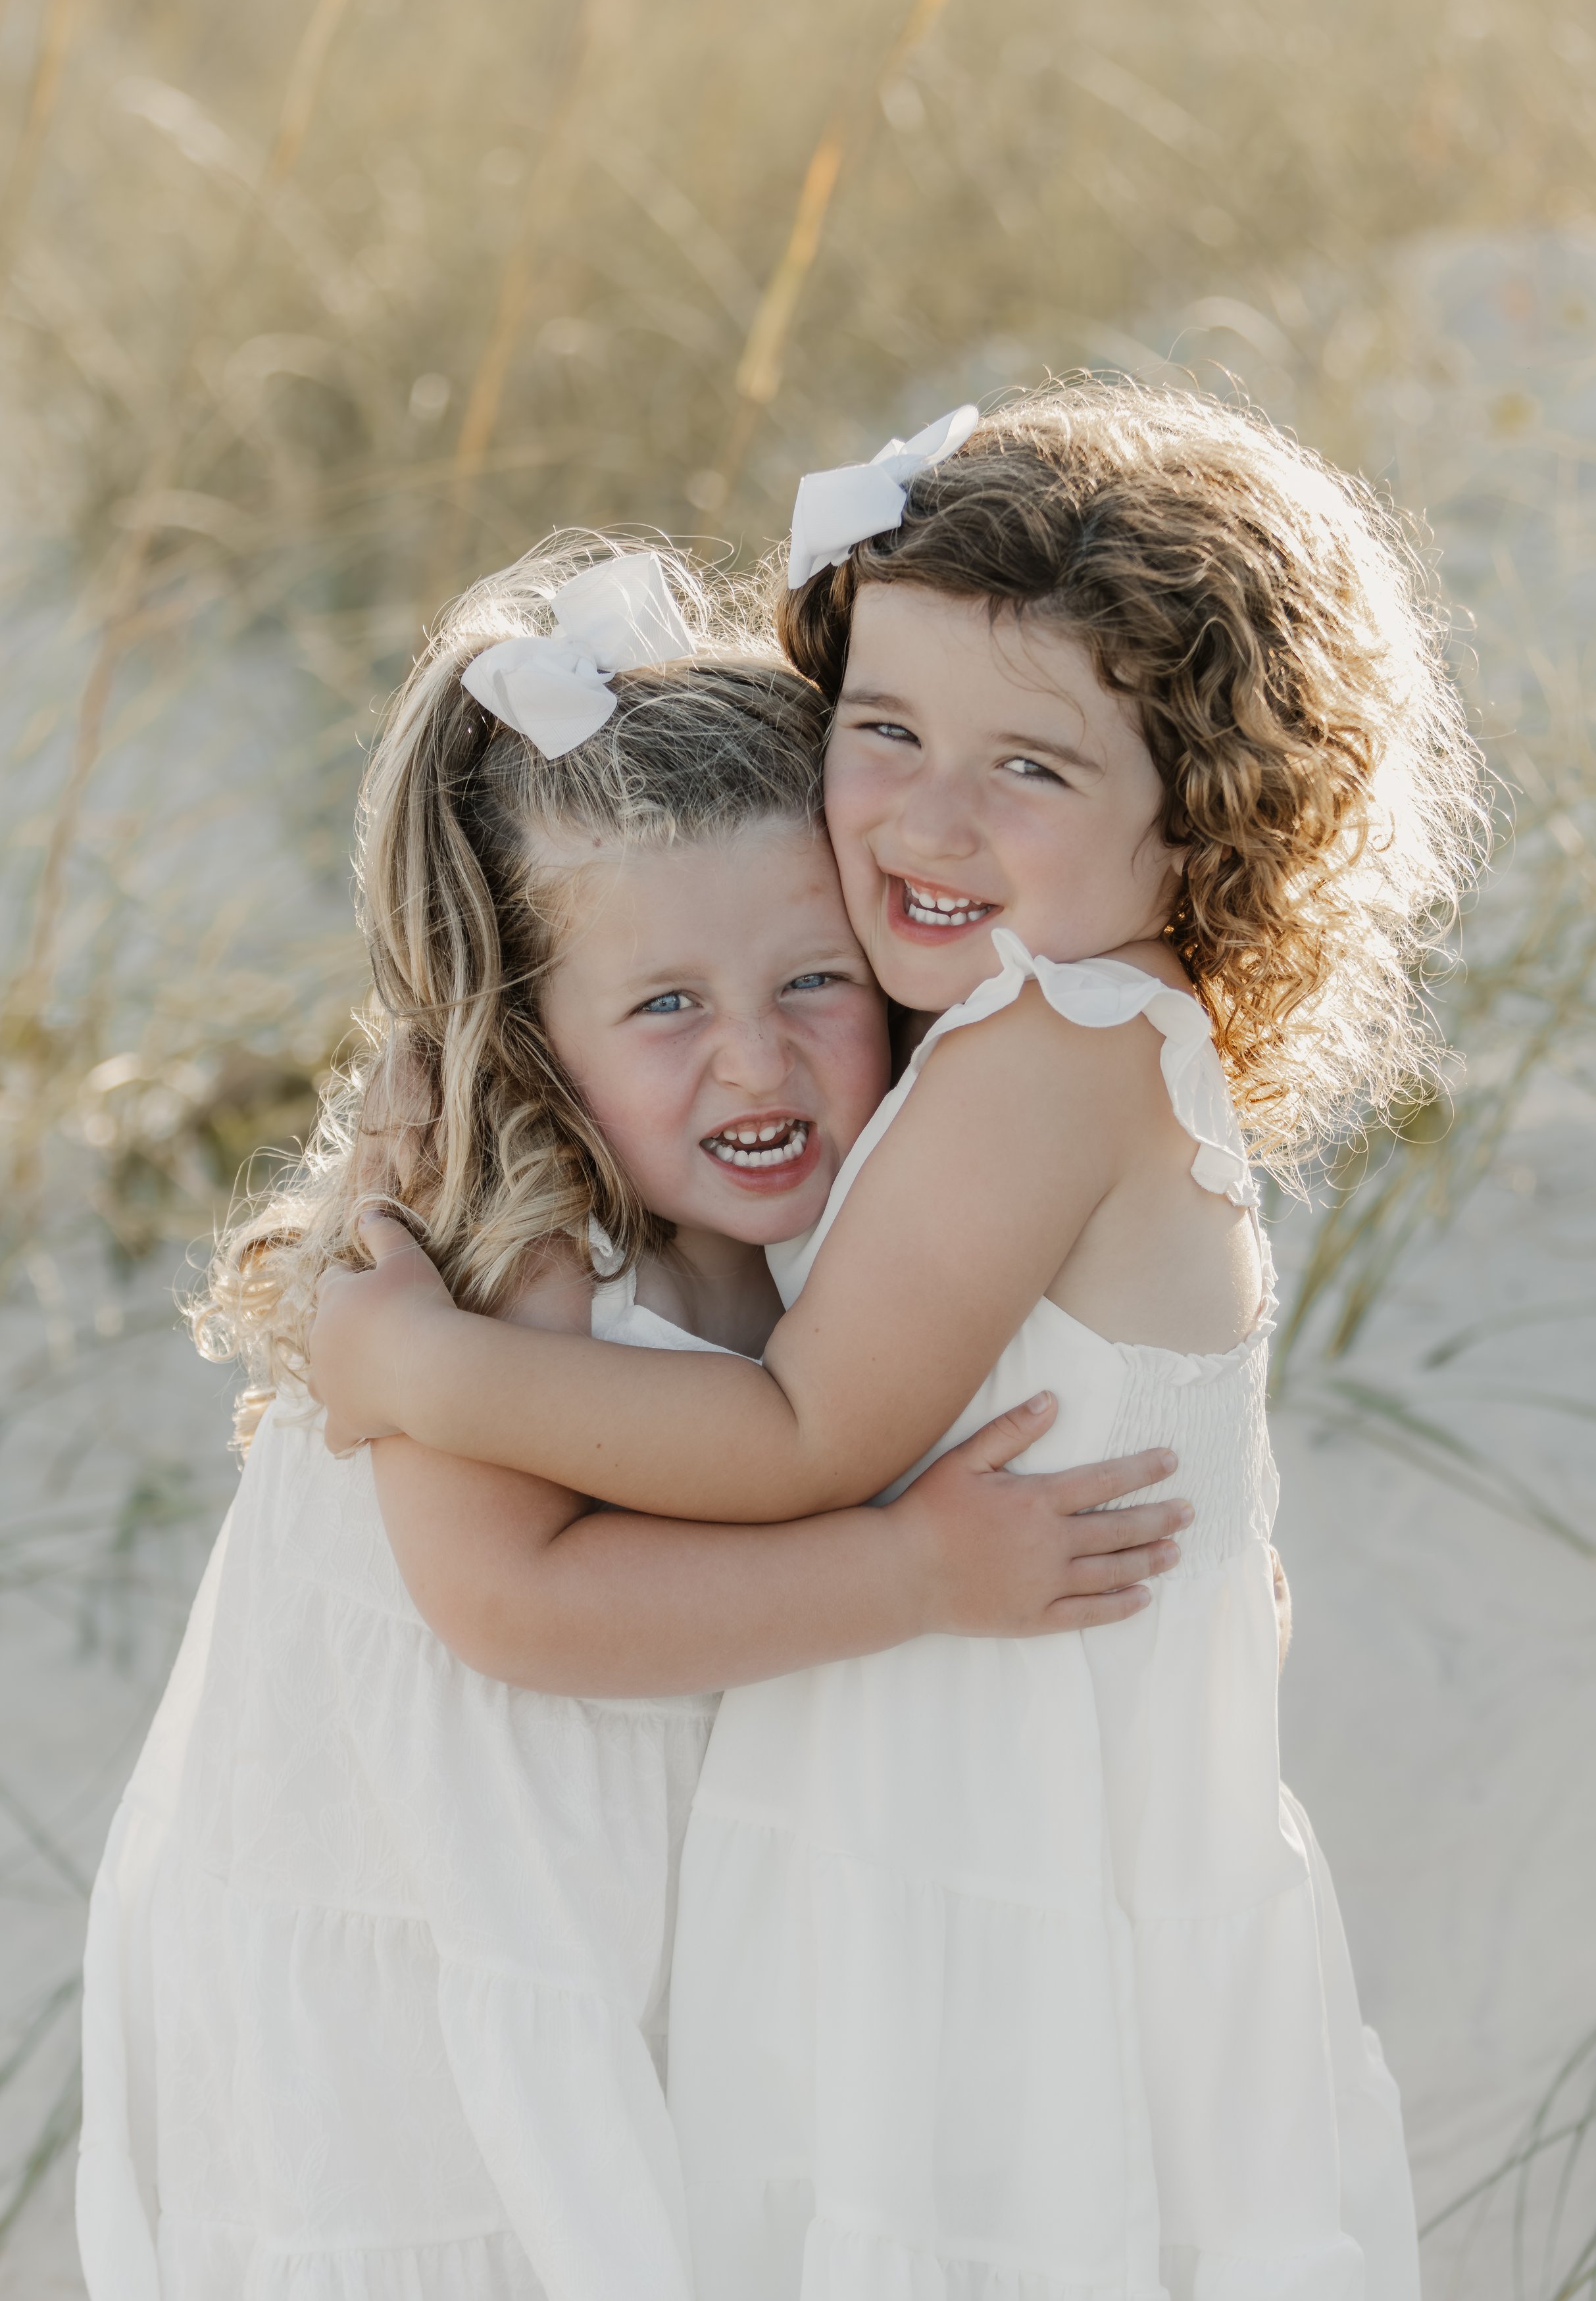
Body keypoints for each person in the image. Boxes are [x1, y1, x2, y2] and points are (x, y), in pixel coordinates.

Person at [312, 384, 1483, 2298]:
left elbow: (802, 1440)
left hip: (999, 1888)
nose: (926, 817)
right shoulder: (1037, 1023)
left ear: (1209, 815)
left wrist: (422, 1373)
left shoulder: (1050, 1053)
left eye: (1029, 768)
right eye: (882, 729)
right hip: (972, 1825)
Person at [75, 543, 1184, 2301]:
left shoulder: (831, 1218)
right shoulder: (506, 1250)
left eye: (812, 984)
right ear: (536, 1034)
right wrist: (910, 1572)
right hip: (434, 1958)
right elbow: (516, 1608)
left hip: (606, 1912)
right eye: (665, 1007)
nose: (752, 1062)